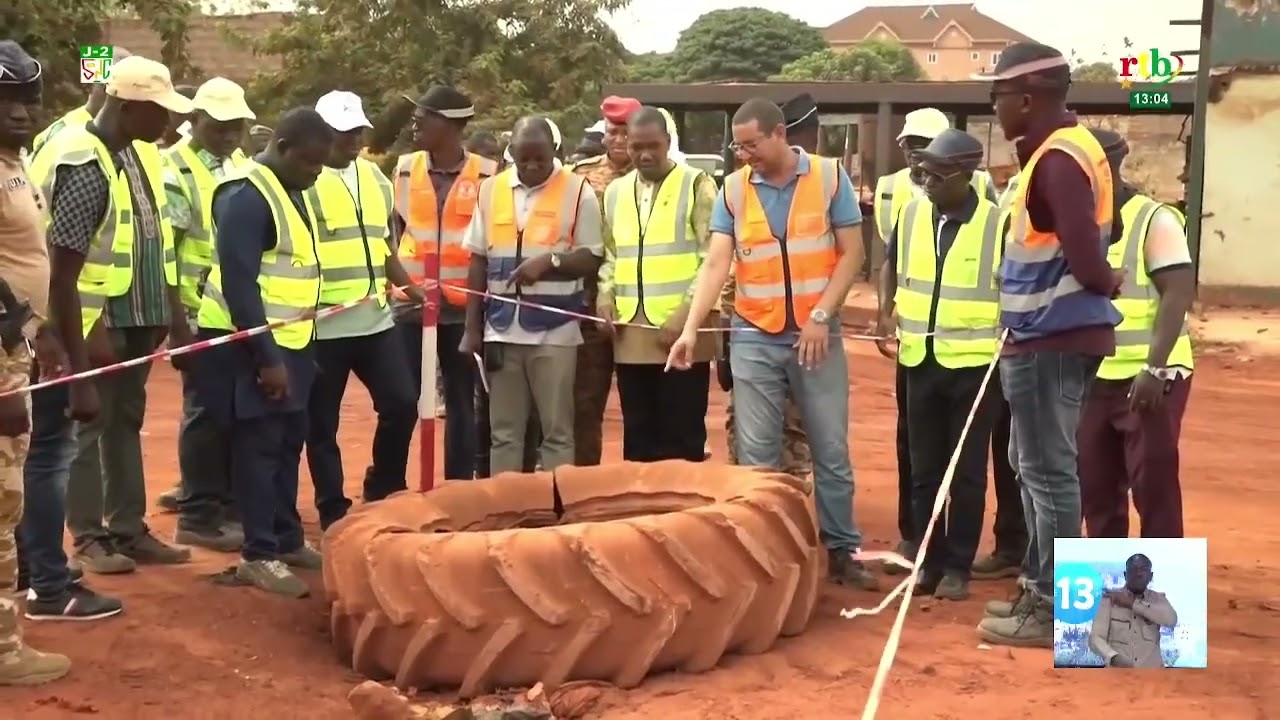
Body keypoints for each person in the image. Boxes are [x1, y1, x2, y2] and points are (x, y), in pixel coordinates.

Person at [667, 98, 875, 590]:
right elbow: (717, 263)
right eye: (738, 146)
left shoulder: (828, 177)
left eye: (752, 144)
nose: (745, 155)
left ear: (780, 134)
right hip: (754, 334)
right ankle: (764, 556)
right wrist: (691, 329)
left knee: (830, 449)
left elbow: (853, 253)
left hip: (815, 336)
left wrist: (822, 316)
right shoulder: (734, 190)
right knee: (757, 457)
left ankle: (842, 549)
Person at [976, 43, 1124, 648]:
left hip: (1051, 338)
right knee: (1031, 465)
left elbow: (1087, 257)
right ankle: (1039, 589)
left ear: (1028, 98)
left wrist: (1103, 281)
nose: (996, 109)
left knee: (1048, 471)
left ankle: (1055, 607)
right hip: (1045, 337)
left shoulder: (1058, 160)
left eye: (998, 98)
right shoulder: (1067, 151)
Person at [28, 56, 193, 578]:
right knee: (71, 432)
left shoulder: (121, 151)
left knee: (121, 419)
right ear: (126, 107)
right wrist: (78, 364)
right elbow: (62, 272)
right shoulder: (83, 158)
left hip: (114, 310)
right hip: (65, 326)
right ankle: (72, 550)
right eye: (159, 111)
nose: (168, 123)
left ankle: (125, 528)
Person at [194, 107, 331, 597]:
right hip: (248, 345)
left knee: (289, 440)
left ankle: (286, 537)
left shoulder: (290, 191)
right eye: (312, 162)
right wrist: (267, 359)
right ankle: (259, 554)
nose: (317, 172)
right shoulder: (247, 197)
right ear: (285, 147)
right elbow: (240, 285)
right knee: (259, 447)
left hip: (290, 341)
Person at [875, 129, 1002, 601]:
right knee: (924, 467)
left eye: (936, 173)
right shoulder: (910, 215)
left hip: (974, 367)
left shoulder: (997, 223)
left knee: (966, 472)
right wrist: (886, 313)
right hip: (918, 359)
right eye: (921, 171)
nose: (924, 180)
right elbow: (891, 266)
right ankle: (927, 562)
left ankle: (958, 567)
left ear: (966, 176)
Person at [459, 116, 604, 474]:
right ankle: (506, 510)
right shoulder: (490, 190)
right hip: (501, 331)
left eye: (540, 157)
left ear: (555, 152)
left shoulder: (577, 191)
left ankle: (558, 507)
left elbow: (592, 256)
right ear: (512, 154)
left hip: (555, 332)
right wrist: (471, 328)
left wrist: (550, 262)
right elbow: (477, 259)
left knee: (557, 432)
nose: (533, 166)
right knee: (504, 433)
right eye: (524, 159)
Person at [306, 90, 421, 530]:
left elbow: (385, 245)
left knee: (402, 404)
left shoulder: (376, 179)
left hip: (375, 318)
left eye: (356, 131)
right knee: (321, 426)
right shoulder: (305, 180)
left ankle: (384, 485)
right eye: (342, 132)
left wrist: (409, 287)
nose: (351, 140)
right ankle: (332, 507)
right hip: (323, 326)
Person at [0, 39, 75, 685]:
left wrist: (39, 331)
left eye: (27, 97)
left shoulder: (17, 166)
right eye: (6, 98)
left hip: (16, 347)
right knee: (3, 498)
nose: (20, 111)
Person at [1078, 129, 1195, 539]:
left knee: (1153, 486)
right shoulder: (1078, 225)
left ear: (1110, 167)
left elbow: (1178, 291)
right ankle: (1110, 597)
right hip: (1092, 377)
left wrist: (1154, 368)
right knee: (1095, 487)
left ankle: (1158, 593)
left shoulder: (1154, 219)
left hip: (1150, 379)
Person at [156, 77, 255, 551]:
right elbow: (166, 254)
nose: (229, 136)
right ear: (194, 121)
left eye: (236, 127)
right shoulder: (174, 169)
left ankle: (220, 500)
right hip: (197, 311)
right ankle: (198, 513)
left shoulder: (240, 165)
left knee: (234, 409)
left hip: (234, 306)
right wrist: (179, 327)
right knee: (207, 412)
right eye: (219, 127)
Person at [386, 85, 497, 481]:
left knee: (461, 402)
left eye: (425, 117)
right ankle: (389, 481)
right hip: (409, 305)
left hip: (460, 309)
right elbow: (395, 232)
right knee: (400, 400)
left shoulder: (488, 175)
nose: (415, 123)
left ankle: (456, 485)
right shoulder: (402, 168)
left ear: (451, 125)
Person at [598, 107, 717, 461]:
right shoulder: (616, 192)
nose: (644, 154)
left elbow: (712, 258)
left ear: (668, 143)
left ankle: (682, 516)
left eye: (653, 146)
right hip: (630, 330)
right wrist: (605, 297)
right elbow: (611, 254)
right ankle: (645, 514)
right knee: (639, 436)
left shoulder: (698, 184)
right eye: (637, 147)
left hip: (682, 333)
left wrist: (685, 316)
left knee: (683, 436)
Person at [719, 94, 816, 478]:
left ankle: (787, 517)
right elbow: (730, 272)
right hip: (751, 332)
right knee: (744, 432)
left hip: (803, 336)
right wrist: (726, 346)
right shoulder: (741, 189)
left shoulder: (820, 183)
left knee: (794, 433)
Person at [570, 95, 640, 466]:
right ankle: (585, 484)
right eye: (612, 131)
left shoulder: (655, 174)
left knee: (642, 406)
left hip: (638, 306)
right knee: (585, 405)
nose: (617, 140)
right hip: (588, 310)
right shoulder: (580, 176)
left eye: (625, 131)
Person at [973, 170, 1027, 580]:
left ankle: (1047, 572)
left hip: (1063, 355)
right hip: (1007, 348)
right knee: (1009, 451)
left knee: (1055, 468)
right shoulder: (1014, 192)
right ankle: (1014, 547)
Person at [29, 48, 133, 158]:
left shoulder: (140, 132)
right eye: (110, 87)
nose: (121, 97)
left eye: (132, 89)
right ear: (88, 86)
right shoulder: (61, 135)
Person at [1088, 554, 1178, 668]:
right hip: (1118, 676)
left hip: (1153, 677)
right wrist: (1112, 656)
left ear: (1151, 576)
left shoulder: (1158, 599)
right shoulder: (1110, 599)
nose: (1139, 574)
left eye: (1143, 569)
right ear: (1125, 575)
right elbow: (1096, 638)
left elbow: (1171, 620)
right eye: (1134, 569)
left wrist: (1132, 603)